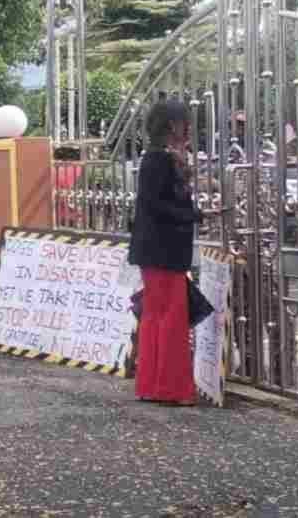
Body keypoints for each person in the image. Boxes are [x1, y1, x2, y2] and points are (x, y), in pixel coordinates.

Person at [128, 99, 203, 406]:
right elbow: (157, 205)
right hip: (164, 248)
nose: (189, 129)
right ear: (173, 126)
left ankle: (152, 384)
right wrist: (193, 215)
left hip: (154, 248)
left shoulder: (156, 157)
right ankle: (172, 388)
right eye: (186, 123)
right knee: (171, 316)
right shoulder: (159, 160)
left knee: (155, 316)